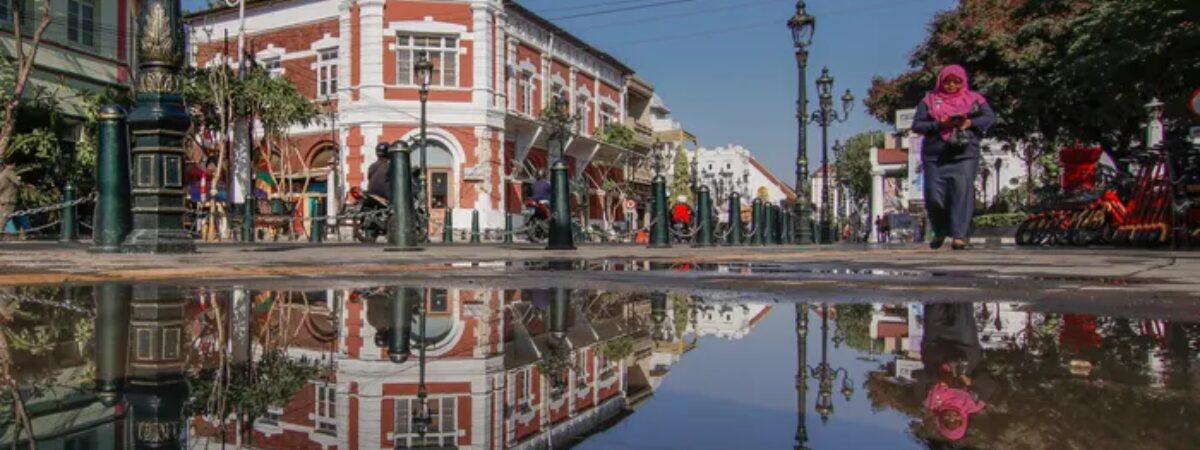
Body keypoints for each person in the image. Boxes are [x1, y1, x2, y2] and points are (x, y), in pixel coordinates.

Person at [912, 65, 996, 250]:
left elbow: (989, 118)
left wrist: (969, 122)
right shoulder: (930, 100)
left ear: (963, 82)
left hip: (964, 153)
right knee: (934, 196)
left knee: (962, 193)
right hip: (936, 155)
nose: (951, 85)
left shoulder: (975, 99)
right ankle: (940, 230)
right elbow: (917, 125)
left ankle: (959, 235)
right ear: (940, 82)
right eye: (947, 82)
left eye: (956, 82)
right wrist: (939, 124)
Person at [917, 303, 989, 442]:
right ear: (964, 420)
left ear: (940, 420)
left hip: (936, 343)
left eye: (947, 422)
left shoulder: (929, 402)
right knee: (961, 304)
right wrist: (969, 381)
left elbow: (918, 376)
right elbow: (990, 383)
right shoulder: (975, 404)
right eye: (956, 421)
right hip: (965, 346)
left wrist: (938, 379)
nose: (951, 417)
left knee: (934, 302)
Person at [0, 162, 22, 237]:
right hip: (8, 199)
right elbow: (17, 183)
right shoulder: (9, 172)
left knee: (4, 217)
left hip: (3, 198)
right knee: (4, 218)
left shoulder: (2, 173)